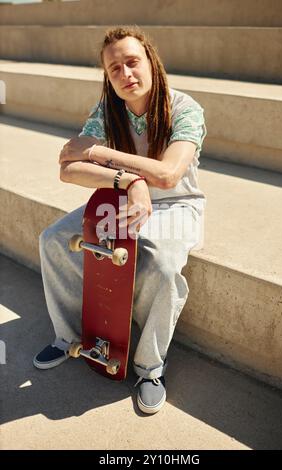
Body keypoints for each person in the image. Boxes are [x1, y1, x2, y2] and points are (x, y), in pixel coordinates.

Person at [33, 26, 207, 414]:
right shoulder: (106, 112)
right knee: (53, 240)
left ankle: (149, 367)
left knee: (161, 265)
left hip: (176, 205)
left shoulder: (185, 108)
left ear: (151, 62)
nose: (125, 74)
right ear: (108, 79)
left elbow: (168, 175)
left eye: (132, 62)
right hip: (122, 197)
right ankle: (69, 337)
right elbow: (69, 169)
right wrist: (127, 180)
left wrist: (97, 152)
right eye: (114, 69)